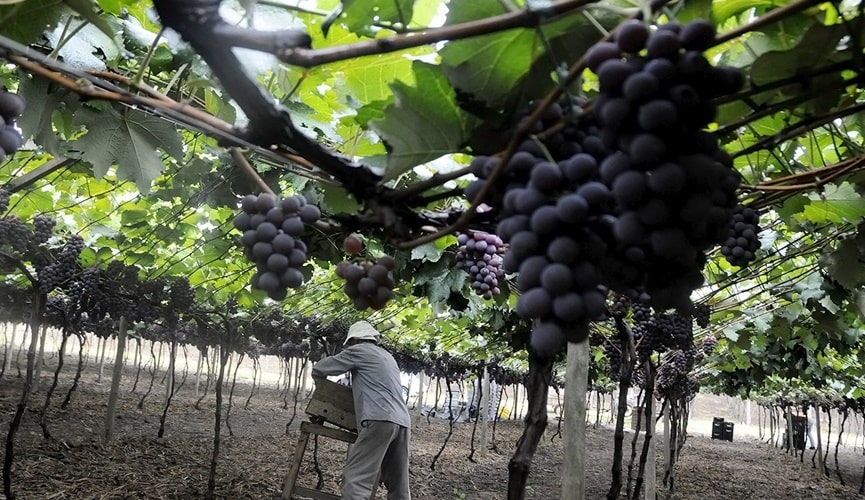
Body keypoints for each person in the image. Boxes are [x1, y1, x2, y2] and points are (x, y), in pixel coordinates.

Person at [312, 321, 412, 500]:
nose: (350, 347)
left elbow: (321, 367)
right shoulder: (388, 356)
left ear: (355, 340)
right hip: (402, 421)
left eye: (350, 344)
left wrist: (322, 390)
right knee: (398, 485)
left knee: (357, 479)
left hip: (380, 418)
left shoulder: (359, 350)